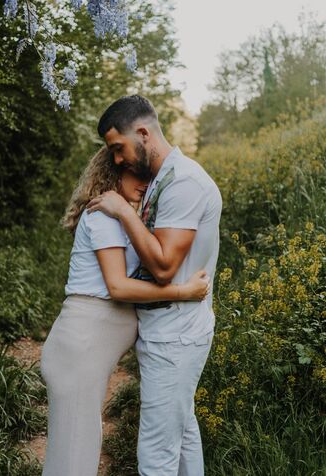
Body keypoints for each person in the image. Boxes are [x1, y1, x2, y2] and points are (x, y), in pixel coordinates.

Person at [40, 145, 210, 476]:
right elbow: (117, 287)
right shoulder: (103, 215)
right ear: (115, 171)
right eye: (138, 172)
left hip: (84, 348)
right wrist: (183, 292)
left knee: (78, 448)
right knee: (74, 458)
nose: (147, 181)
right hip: (79, 346)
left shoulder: (121, 218)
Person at [87, 94, 223, 476]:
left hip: (176, 336)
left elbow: (163, 266)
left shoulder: (183, 183)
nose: (117, 160)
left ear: (144, 133)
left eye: (119, 148)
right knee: (181, 433)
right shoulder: (162, 178)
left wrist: (120, 211)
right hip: (169, 331)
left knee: (155, 455)